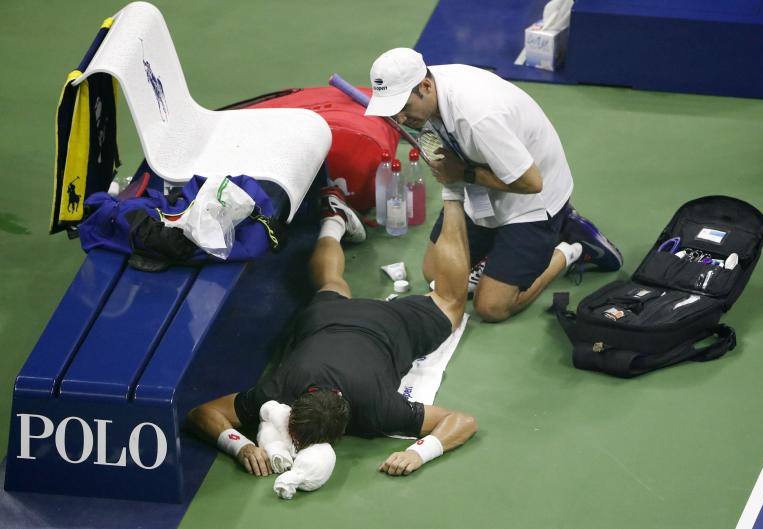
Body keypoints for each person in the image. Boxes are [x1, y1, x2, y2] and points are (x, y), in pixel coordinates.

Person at [188, 186, 477, 477]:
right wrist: (241, 447)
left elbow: (463, 421)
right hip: (350, 320)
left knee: (338, 283)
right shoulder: (285, 393)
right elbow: (459, 420)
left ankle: (343, 217)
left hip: (365, 320)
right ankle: (440, 198)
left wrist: (419, 453)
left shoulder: (375, 409)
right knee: (444, 299)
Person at [365, 48, 623, 323]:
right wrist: (455, 179)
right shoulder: (428, 87)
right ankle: (498, 256)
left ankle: (570, 247)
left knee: (491, 307)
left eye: (403, 108)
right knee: (435, 274)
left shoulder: (478, 116)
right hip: (481, 183)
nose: (400, 120)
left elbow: (532, 183)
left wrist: (462, 173)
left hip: (533, 199)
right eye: (393, 111)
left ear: (425, 86)